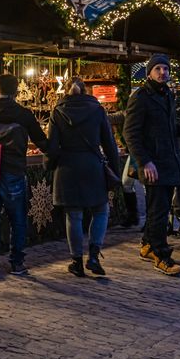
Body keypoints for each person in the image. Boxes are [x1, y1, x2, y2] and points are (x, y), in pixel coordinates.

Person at [122, 54, 180, 277]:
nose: (162, 72)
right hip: (153, 164)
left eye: (165, 69)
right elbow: (130, 132)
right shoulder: (141, 97)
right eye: (158, 69)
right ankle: (161, 255)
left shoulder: (167, 95)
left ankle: (147, 245)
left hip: (170, 161)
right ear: (149, 72)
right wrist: (145, 161)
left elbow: (167, 126)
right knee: (158, 211)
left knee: (160, 208)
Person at [46, 77, 122, 277]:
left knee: (74, 215)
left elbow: (52, 147)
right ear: (86, 91)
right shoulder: (97, 111)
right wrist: (115, 170)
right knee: (100, 210)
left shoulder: (57, 111)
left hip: (67, 168)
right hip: (92, 166)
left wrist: (49, 165)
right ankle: (94, 255)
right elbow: (109, 144)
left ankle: (76, 261)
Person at [0, 73, 52, 276]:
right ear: (17, 91)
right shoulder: (24, 114)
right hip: (14, 171)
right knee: (17, 219)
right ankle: (17, 263)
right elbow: (41, 141)